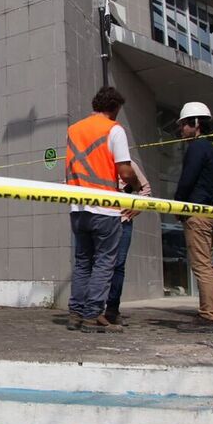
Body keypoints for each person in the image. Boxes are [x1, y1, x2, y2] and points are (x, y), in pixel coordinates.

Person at [65, 86, 142, 333]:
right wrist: (137, 186)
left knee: (82, 262)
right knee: (104, 262)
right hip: (105, 207)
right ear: (115, 108)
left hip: (77, 207)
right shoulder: (114, 130)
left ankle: (76, 313)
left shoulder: (73, 130)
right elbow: (125, 171)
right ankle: (92, 315)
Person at [174, 101, 213, 333]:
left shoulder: (196, 148)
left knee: (202, 266)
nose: (181, 130)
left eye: (184, 125)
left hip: (198, 213)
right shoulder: (211, 149)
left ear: (195, 124)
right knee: (208, 266)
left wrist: (178, 206)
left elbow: (187, 180)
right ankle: (209, 312)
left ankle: (208, 317)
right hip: (211, 213)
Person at [104, 159, 152, 326]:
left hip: (123, 221)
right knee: (94, 263)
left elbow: (146, 189)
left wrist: (138, 207)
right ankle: (91, 309)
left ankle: (112, 309)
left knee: (118, 265)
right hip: (99, 220)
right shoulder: (96, 161)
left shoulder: (129, 164)